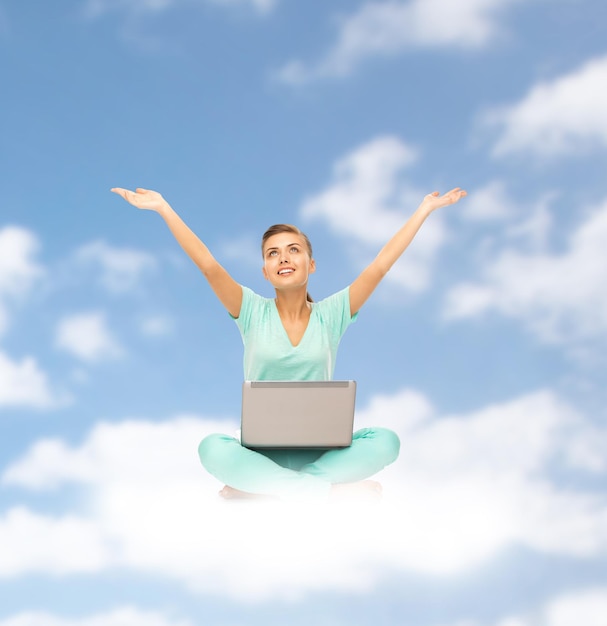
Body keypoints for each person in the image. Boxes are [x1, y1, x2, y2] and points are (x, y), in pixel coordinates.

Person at [111, 185, 467, 502]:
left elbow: (380, 266)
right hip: (261, 454)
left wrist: (423, 210)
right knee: (211, 449)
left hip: (321, 454)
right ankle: (326, 489)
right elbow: (208, 265)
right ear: (265, 272)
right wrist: (163, 208)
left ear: (310, 265)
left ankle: (270, 487)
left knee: (387, 440)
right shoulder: (249, 310)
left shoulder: (332, 314)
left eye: (293, 250)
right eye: (272, 253)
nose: (283, 257)